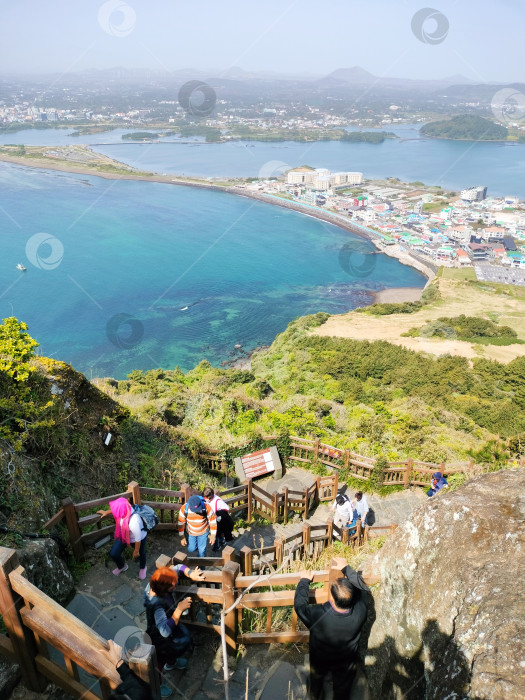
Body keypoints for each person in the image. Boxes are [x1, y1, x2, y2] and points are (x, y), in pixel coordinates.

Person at [294, 557, 370, 700]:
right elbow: (363, 588)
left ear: (332, 598)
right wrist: (346, 568)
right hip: (345, 660)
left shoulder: (317, 614)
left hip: (320, 656)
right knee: (343, 688)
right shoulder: (360, 612)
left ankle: (316, 696)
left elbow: (300, 606)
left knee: (316, 681)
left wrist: (304, 581)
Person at [144, 565, 204, 697]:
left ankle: (171, 664)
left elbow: (177, 568)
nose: (175, 585)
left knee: (171, 650)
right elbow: (164, 631)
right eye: (173, 585)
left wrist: (190, 573)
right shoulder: (157, 605)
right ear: (165, 590)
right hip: (158, 637)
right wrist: (179, 610)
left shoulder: (159, 581)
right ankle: (158, 686)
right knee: (158, 662)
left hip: (169, 623)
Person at [98, 497, 148, 580]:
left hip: (138, 538)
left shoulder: (134, 521)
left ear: (121, 511)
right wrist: (106, 512)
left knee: (141, 553)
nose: (115, 511)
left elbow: (138, 538)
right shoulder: (124, 510)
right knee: (114, 553)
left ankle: (143, 567)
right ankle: (122, 566)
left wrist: (136, 551)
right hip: (124, 534)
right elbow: (116, 510)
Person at [202, 486, 234, 551]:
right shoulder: (208, 500)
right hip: (215, 518)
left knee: (217, 533)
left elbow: (226, 509)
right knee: (219, 532)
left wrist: (218, 515)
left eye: (205, 498)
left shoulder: (218, 501)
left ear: (210, 497)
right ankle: (222, 542)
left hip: (219, 519)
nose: (204, 499)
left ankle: (216, 546)